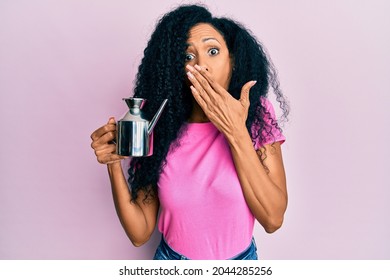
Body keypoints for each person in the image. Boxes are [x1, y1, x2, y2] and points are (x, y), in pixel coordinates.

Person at [90, 4, 289, 260]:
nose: (200, 66)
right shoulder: (158, 123)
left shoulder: (257, 114)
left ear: (233, 61)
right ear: (176, 69)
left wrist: (236, 131)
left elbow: (273, 219)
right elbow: (139, 233)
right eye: (187, 56)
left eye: (213, 51)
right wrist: (113, 164)